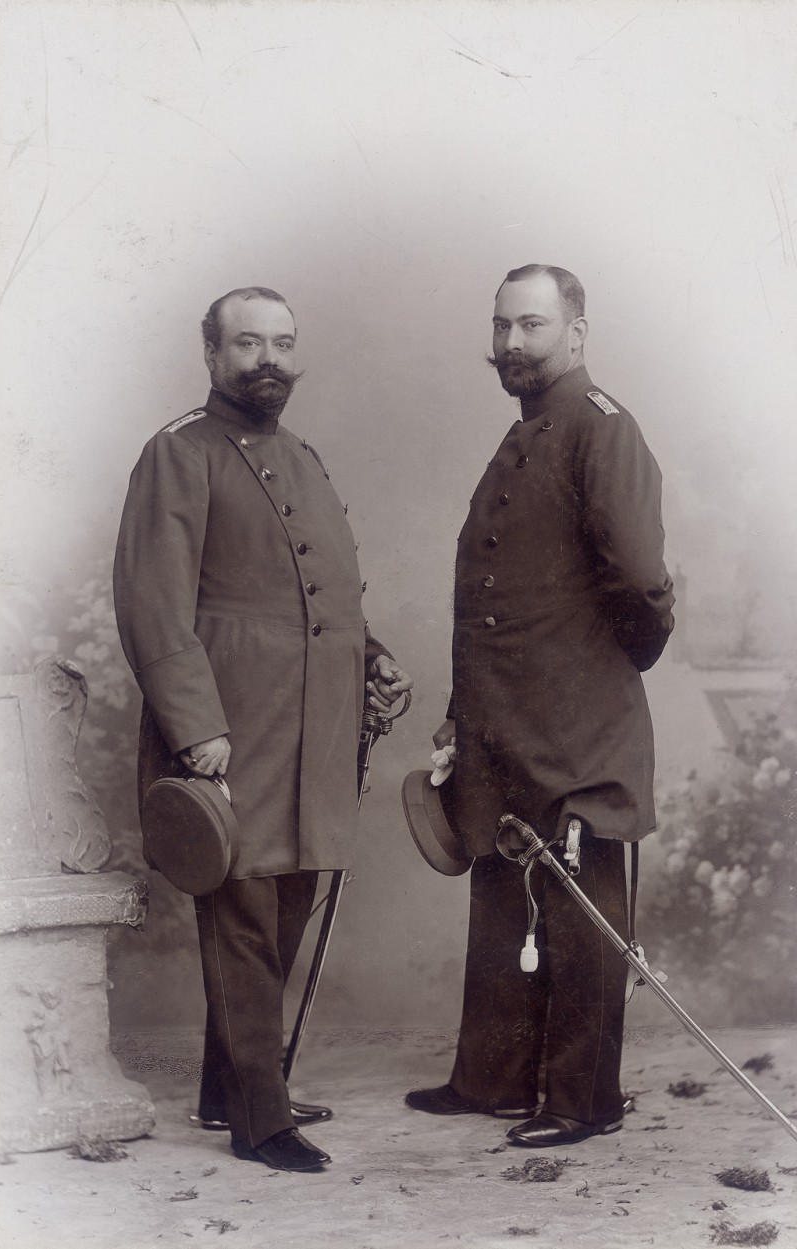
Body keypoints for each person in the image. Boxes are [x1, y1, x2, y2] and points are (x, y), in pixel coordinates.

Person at [114, 286, 411, 1172]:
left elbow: (319, 597)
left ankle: (225, 1085)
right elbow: (152, 604)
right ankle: (259, 1115)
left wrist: (372, 659)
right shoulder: (178, 453)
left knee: (284, 903)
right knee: (241, 911)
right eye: (248, 344)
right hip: (233, 726)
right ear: (211, 354)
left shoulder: (304, 458)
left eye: (283, 343)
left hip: (311, 727)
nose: (268, 360)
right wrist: (195, 726)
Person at [406, 264, 674, 1148]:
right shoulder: (523, 435)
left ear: (577, 332)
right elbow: (497, 595)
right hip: (503, 723)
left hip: (576, 726)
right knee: (503, 891)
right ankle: (492, 1079)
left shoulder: (604, 430)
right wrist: (461, 711)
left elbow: (639, 580)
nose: (512, 344)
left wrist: (606, 670)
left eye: (531, 325)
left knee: (579, 907)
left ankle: (582, 1099)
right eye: (501, 327)